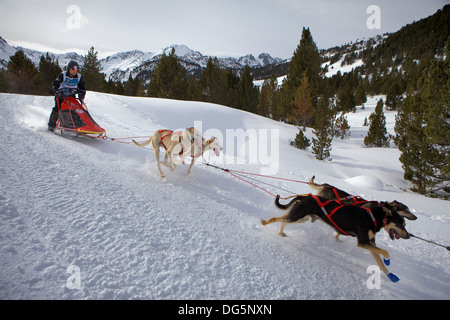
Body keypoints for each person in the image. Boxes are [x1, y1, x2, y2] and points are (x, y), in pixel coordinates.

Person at [47, 60, 86, 131]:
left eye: (76, 69)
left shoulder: (79, 77)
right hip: (61, 94)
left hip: (72, 95)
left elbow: (82, 87)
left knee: (75, 109)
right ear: (69, 69)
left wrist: (82, 94)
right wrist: (56, 91)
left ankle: (73, 124)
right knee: (57, 108)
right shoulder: (63, 75)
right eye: (72, 69)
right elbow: (55, 84)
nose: (74, 71)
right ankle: (52, 124)